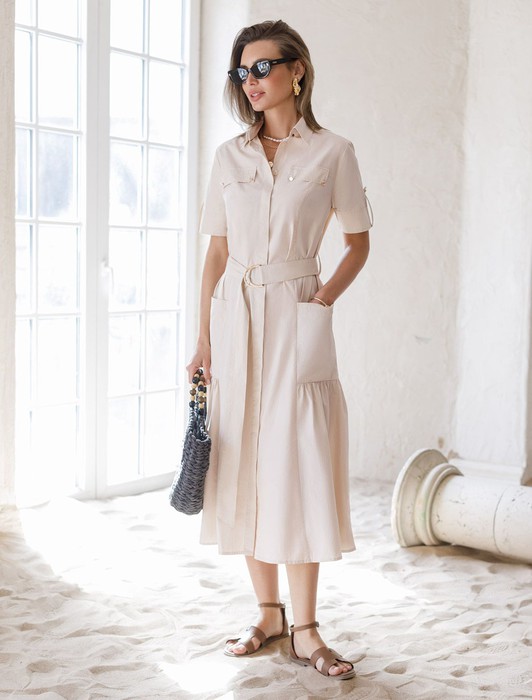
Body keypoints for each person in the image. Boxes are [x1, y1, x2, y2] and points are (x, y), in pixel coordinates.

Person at [186, 19, 373, 681]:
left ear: (297, 70)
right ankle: (267, 614)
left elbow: (357, 243)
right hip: (235, 318)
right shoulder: (228, 157)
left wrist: (320, 303)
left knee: (299, 465)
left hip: (298, 316)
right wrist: (203, 338)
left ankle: (307, 627)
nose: (252, 81)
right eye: (242, 72)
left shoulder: (333, 153)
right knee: (242, 462)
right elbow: (216, 253)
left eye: (263, 67)